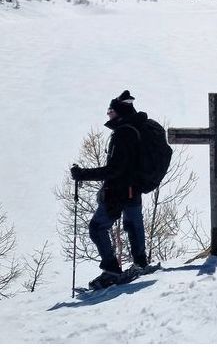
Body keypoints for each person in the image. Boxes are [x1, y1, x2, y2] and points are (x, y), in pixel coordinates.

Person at [70, 90, 149, 289]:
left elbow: (114, 169)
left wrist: (82, 174)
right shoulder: (135, 128)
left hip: (119, 191)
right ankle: (141, 264)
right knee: (134, 225)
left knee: (97, 228)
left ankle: (112, 271)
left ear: (119, 112)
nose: (108, 114)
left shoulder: (124, 133)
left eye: (110, 111)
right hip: (133, 188)